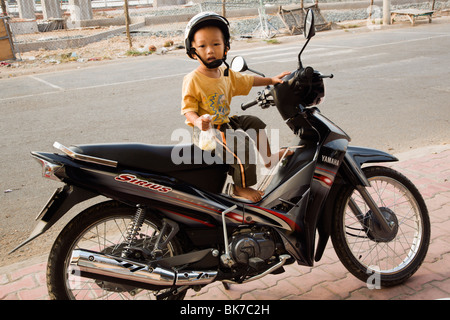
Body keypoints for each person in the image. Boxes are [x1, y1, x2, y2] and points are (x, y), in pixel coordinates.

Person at [181, 12, 291, 202]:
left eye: (216, 44)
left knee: (254, 122)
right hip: (208, 131)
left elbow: (247, 79)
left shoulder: (225, 73)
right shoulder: (193, 79)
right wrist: (198, 121)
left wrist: (271, 80)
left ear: (226, 47)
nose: (210, 50)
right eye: (203, 46)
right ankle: (240, 188)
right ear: (192, 50)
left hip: (225, 122)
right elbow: (187, 109)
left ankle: (268, 158)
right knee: (242, 146)